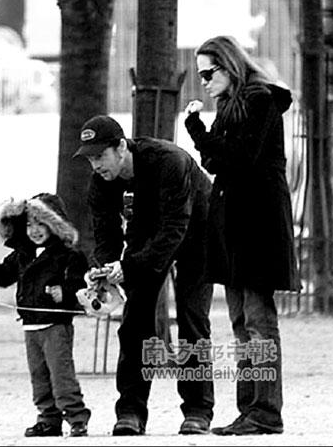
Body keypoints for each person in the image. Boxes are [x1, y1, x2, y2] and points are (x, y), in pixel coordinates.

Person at [184, 35, 301, 436]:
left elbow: (239, 158)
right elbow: (215, 161)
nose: (203, 82)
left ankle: (266, 411)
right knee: (239, 323)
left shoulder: (259, 99)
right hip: (233, 225)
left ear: (230, 66)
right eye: (200, 75)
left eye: (208, 73)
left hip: (258, 224)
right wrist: (206, 138)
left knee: (257, 320)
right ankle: (249, 410)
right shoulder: (230, 106)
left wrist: (197, 130)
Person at [73, 115, 214, 436]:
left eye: (100, 156)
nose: (96, 165)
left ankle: (197, 410)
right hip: (147, 230)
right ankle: (131, 411)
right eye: (90, 159)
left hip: (198, 230)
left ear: (121, 147)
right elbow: (106, 235)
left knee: (192, 320)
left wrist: (130, 267)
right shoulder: (101, 182)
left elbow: (175, 228)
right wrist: (104, 269)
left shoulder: (170, 161)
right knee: (135, 320)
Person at [0, 192, 91, 438]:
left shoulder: (68, 255)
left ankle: (77, 418)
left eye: (41, 224)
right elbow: (4, 275)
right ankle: (48, 419)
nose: (34, 230)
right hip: (30, 327)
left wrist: (65, 292)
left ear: (54, 225)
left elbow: (80, 285)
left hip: (56, 326)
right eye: (29, 224)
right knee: (39, 377)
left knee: (61, 375)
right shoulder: (21, 254)